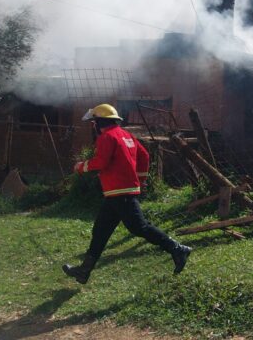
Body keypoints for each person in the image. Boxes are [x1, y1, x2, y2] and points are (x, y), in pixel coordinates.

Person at [62, 103, 192, 284]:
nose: (93, 126)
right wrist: (141, 179)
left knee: (139, 227)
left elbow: (101, 162)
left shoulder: (106, 137)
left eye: (94, 122)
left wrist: (81, 166)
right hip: (118, 193)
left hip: (119, 192)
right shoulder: (126, 135)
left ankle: (177, 249)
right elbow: (144, 155)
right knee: (100, 230)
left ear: (99, 122)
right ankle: (84, 271)